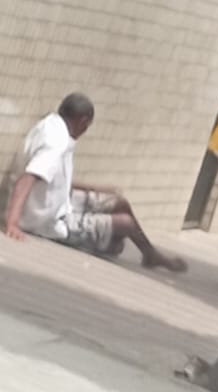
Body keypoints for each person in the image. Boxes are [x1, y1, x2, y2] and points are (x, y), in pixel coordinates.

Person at [4, 93, 186, 271]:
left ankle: (149, 254)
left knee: (118, 202)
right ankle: (139, 251)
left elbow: (55, 180)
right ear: (83, 122)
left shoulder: (51, 125)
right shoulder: (56, 144)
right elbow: (28, 178)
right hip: (47, 221)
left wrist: (96, 188)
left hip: (53, 202)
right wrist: (13, 223)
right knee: (125, 225)